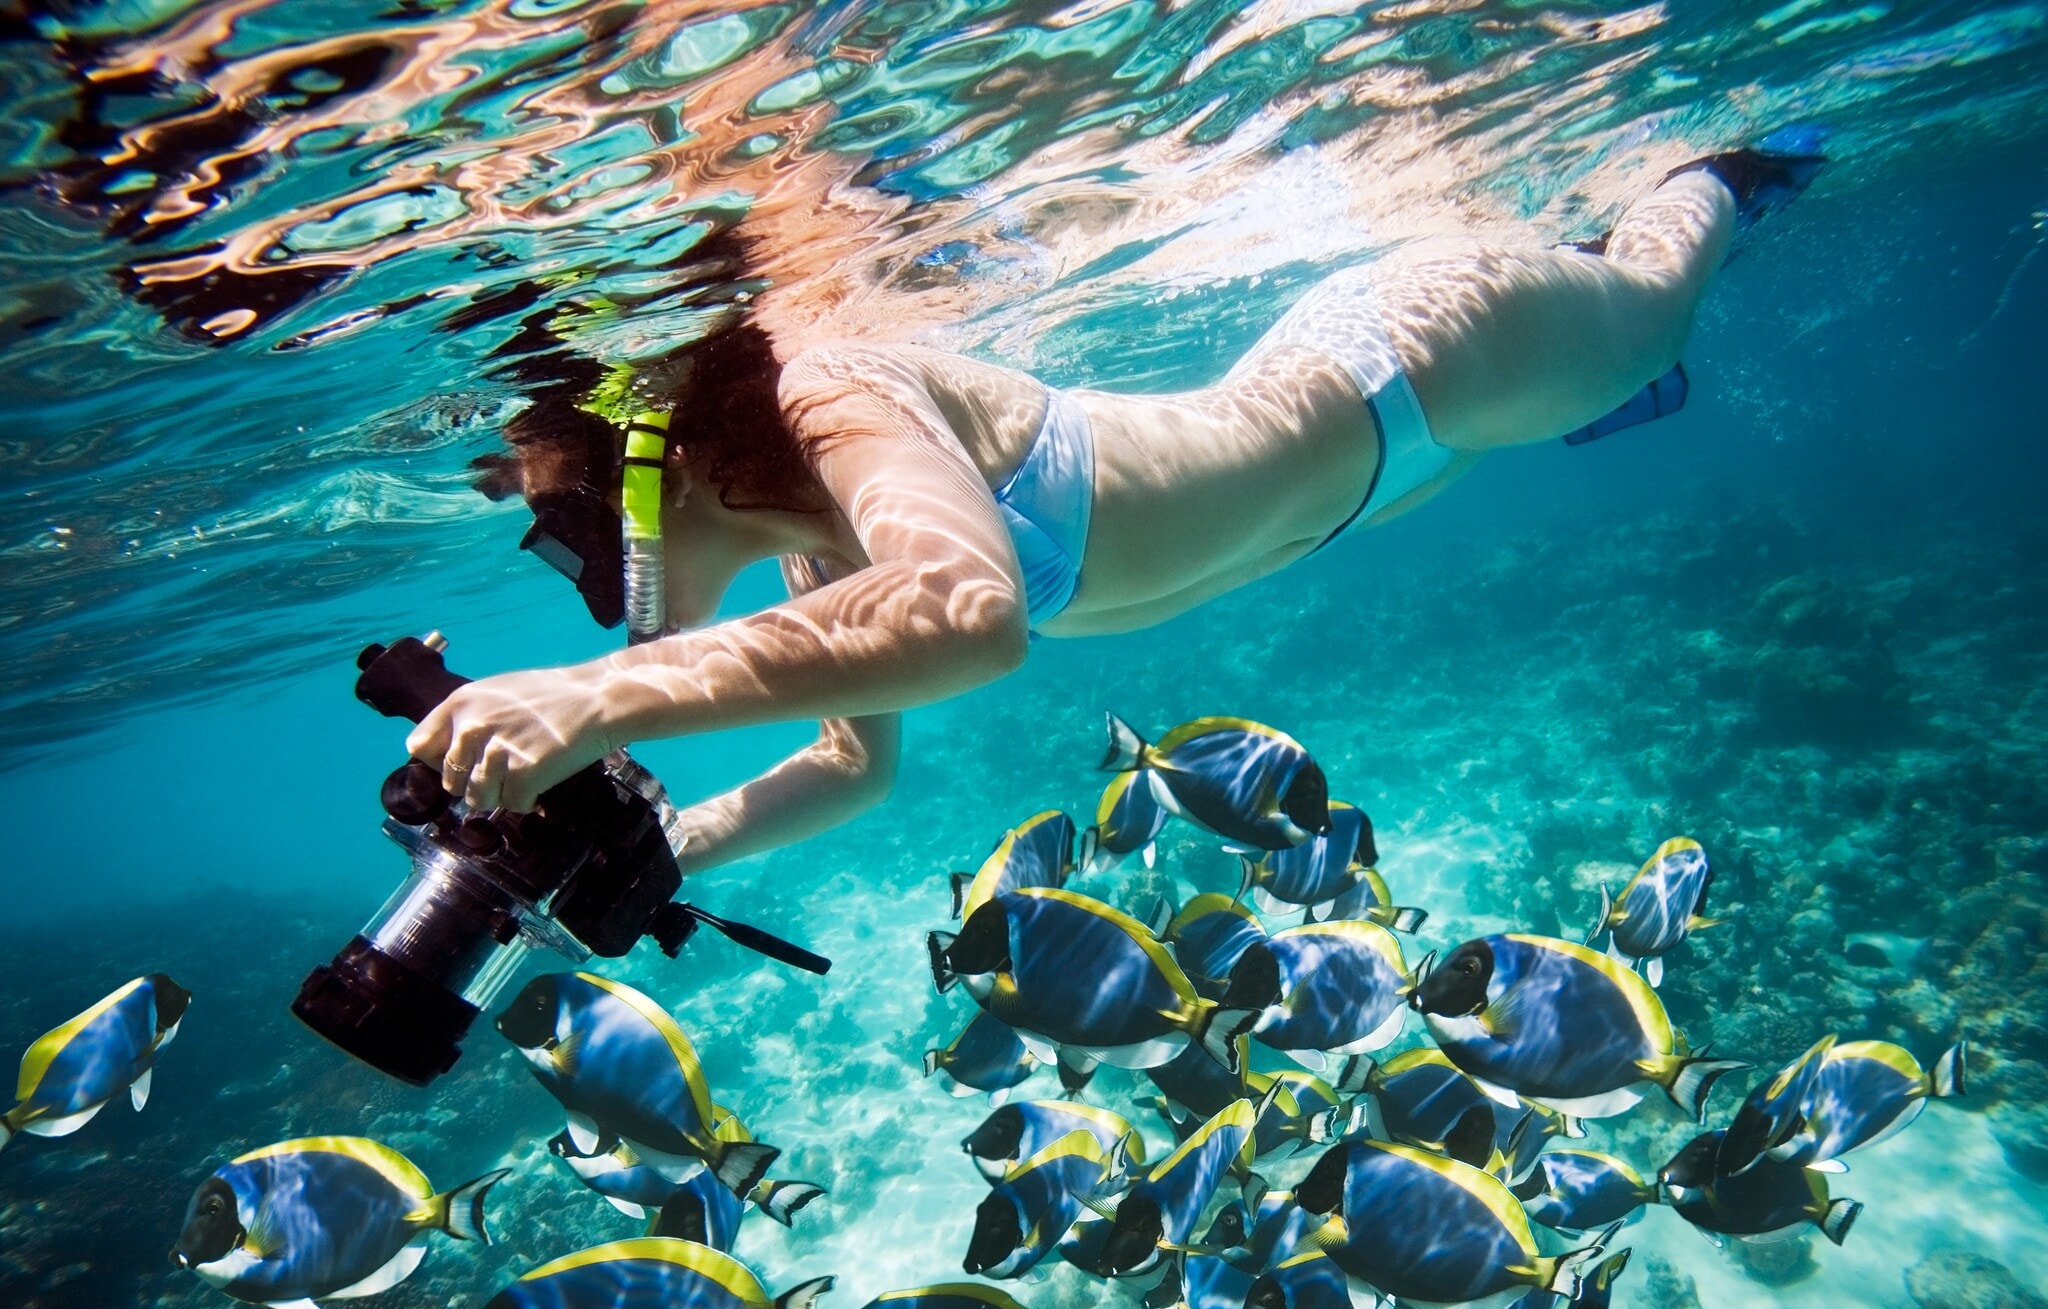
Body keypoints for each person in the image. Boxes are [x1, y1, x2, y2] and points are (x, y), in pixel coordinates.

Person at [408, 137, 1824, 874]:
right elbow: (856, 765)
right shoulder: (817, 561)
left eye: (565, 525)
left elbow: (973, 613)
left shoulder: (833, 388)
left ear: (645, 458)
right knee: (1585, 391)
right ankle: (1593, 387)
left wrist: (604, 698)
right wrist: (669, 844)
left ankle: (1722, 176)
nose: (584, 574)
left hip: (1417, 366)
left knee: (1650, 310)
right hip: (1370, 490)